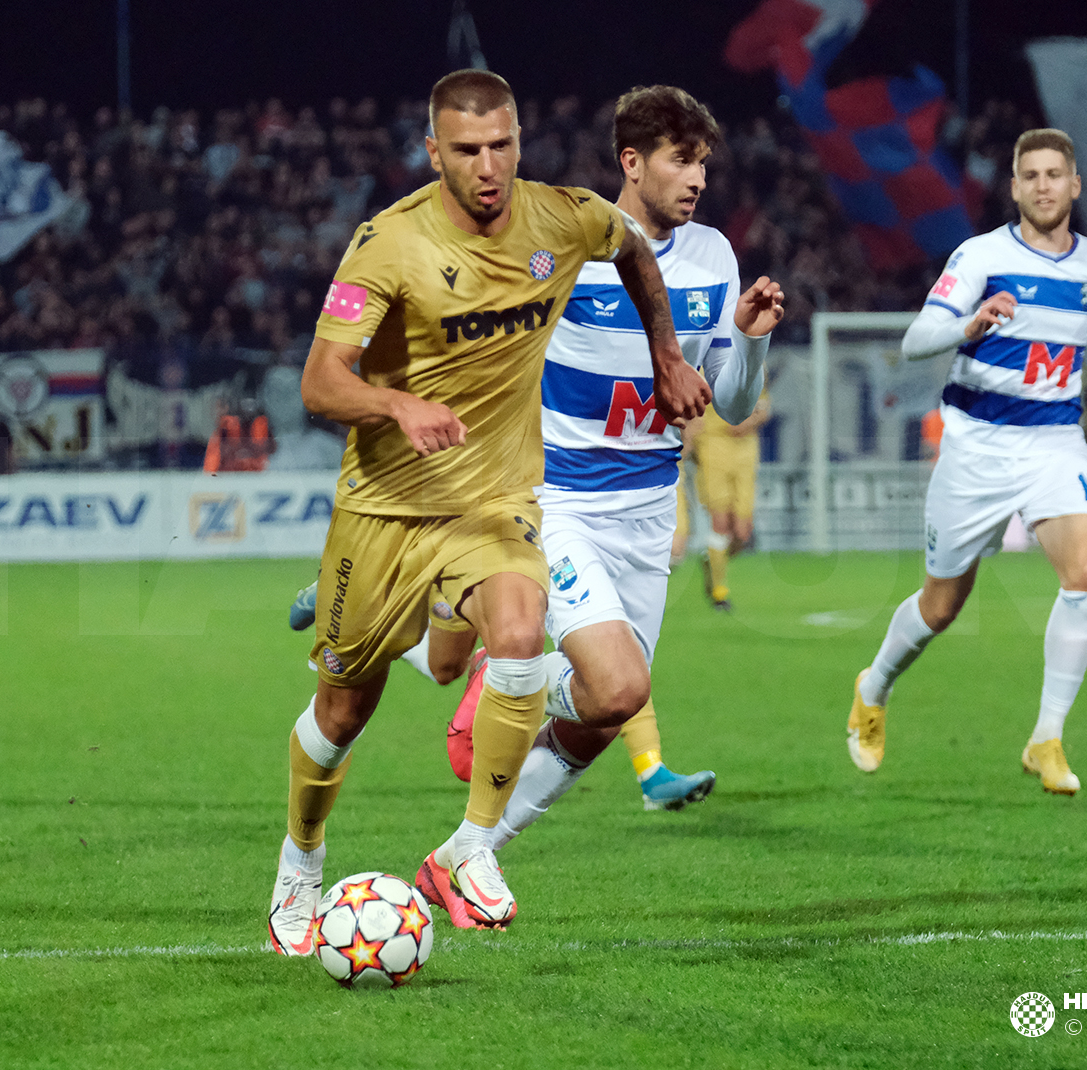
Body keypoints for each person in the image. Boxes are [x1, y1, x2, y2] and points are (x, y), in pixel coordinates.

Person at [266, 69, 708, 956]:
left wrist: (665, 354)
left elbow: (633, 251)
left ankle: (472, 844)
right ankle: (299, 867)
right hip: (386, 508)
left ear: (518, 139)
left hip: (496, 500)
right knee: (344, 711)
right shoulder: (387, 244)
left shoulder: (561, 216)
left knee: (519, 624)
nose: (488, 165)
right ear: (435, 152)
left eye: (501, 144)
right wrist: (398, 408)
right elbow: (320, 381)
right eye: (466, 150)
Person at [435, 86, 781, 854]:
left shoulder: (714, 256)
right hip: (558, 504)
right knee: (620, 685)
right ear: (632, 162)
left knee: (606, 709)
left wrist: (751, 341)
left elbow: (728, 403)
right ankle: (505, 666)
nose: (696, 180)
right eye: (680, 162)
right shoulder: (564, 244)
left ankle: (465, 856)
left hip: (649, 515)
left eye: (703, 166)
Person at [844, 128, 1087, 797]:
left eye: (1053, 174)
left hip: (1056, 441)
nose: (1042, 185)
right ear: (1014, 187)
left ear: (1074, 184)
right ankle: (875, 683)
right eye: (1029, 175)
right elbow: (918, 339)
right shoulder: (980, 256)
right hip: (976, 445)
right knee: (942, 605)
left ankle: (1047, 738)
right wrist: (969, 324)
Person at [695, 388, 770, 609]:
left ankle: (713, 562)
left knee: (742, 532)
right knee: (720, 522)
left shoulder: (752, 362)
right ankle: (720, 592)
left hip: (746, 450)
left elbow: (764, 407)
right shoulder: (700, 362)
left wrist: (749, 422)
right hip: (713, 445)